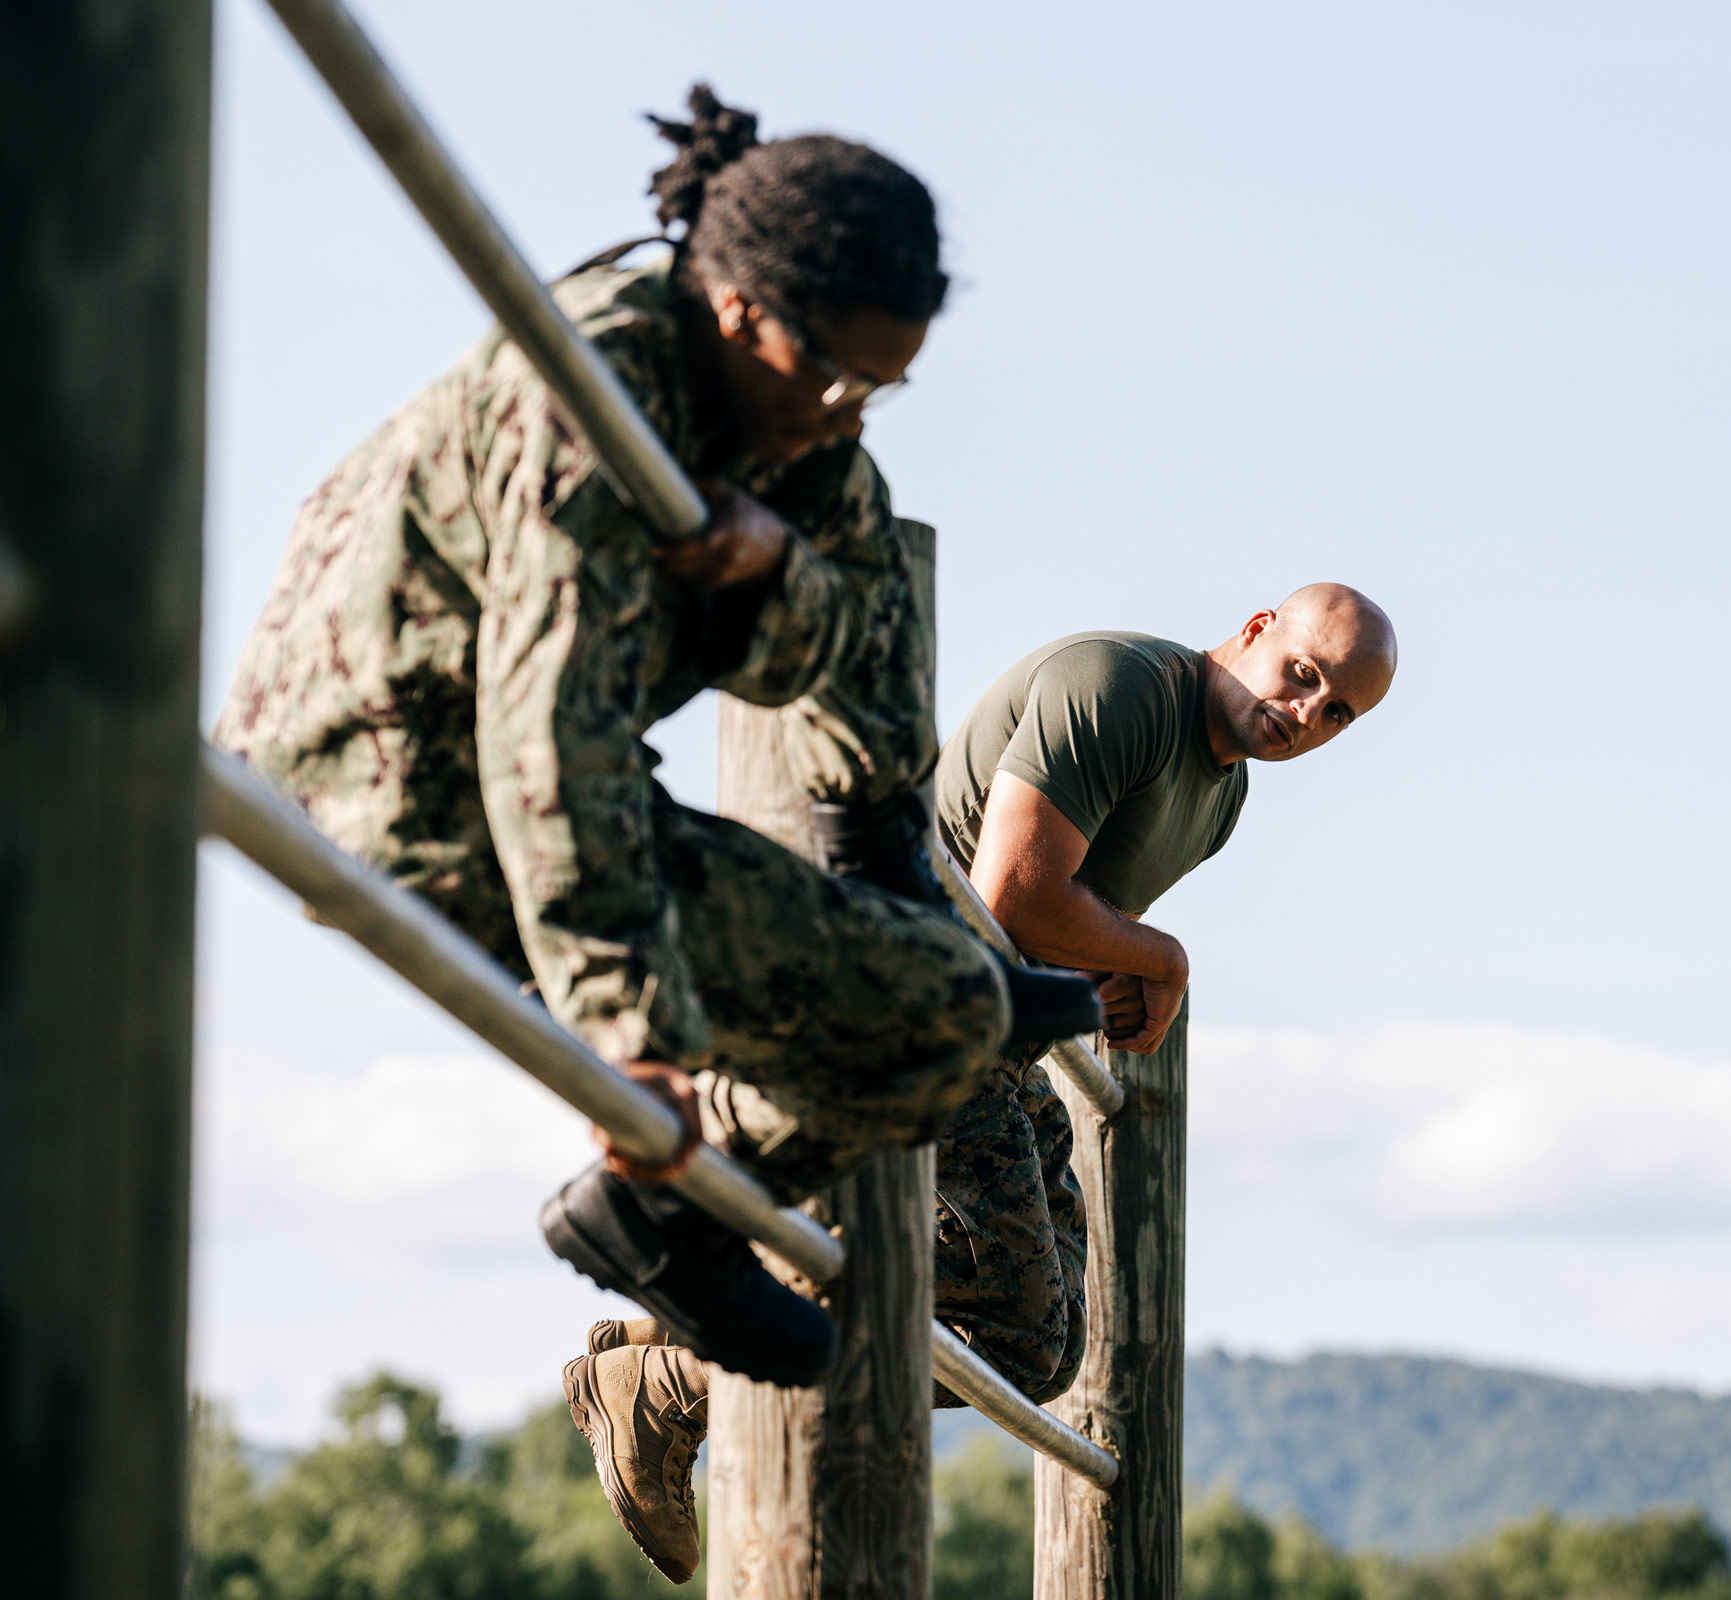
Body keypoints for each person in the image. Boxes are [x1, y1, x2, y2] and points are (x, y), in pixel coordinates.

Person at [213, 81, 1100, 1553]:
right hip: (398, 782)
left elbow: (858, 628)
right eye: (827, 370)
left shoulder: (806, 421)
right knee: (903, 1014)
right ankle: (653, 1193)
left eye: (882, 383)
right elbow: (542, 739)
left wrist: (881, 855)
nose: (839, 407)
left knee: (945, 1009)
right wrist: (636, 1043)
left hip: (565, 779)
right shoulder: (595, 399)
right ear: (738, 303)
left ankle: (674, 1222)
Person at [568, 583, 1399, 1582]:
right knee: (1016, 1319)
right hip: (900, 999)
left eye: (1337, 712)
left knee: (1044, 1351)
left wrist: (1115, 975)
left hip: (986, 1033)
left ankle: (673, 1330)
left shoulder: (1220, 798)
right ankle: (673, 1382)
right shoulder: (1123, 687)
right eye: (1303, 674)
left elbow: (1064, 929)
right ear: (1259, 627)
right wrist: (1162, 960)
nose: (1306, 710)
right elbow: (1014, 893)